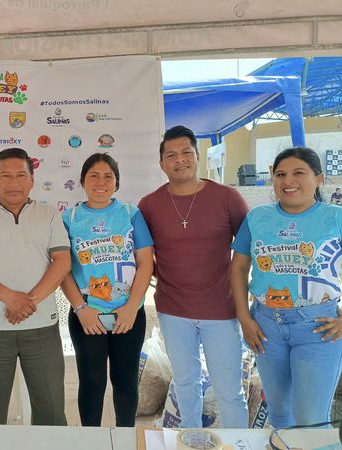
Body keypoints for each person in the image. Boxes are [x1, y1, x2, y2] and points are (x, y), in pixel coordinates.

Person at [138, 125, 249, 428]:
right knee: (185, 385)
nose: (180, 160)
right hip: (173, 310)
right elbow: (142, 255)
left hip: (221, 310)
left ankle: (240, 444)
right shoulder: (149, 205)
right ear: (162, 164)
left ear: (198, 156)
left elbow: (250, 250)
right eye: (171, 155)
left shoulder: (228, 198)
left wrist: (245, 299)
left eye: (186, 152)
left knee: (229, 390)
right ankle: (191, 440)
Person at [231, 146, 342, 428]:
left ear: (318, 179)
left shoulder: (335, 217)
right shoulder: (257, 217)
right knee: (279, 412)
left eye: (299, 173)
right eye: (280, 174)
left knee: (311, 421)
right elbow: (239, 267)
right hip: (266, 327)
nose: (288, 181)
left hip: (319, 329)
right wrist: (244, 318)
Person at [0, 147, 71, 425]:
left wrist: (27, 301)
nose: (13, 183)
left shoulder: (49, 215)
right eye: (5, 176)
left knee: (52, 412)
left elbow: (62, 262)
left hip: (42, 328)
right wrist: (10, 298)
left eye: (21, 175)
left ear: (32, 180)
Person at [60, 153, 154, 427]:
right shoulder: (69, 218)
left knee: (125, 382)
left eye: (108, 177)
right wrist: (81, 309)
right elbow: (62, 268)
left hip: (128, 314)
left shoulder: (130, 213)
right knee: (92, 383)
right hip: (88, 315)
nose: (101, 183)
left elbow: (145, 261)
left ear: (117, 182)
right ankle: (91, 441)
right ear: (82, 181)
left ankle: (125, 439)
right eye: (94, 176)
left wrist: (132, 307)